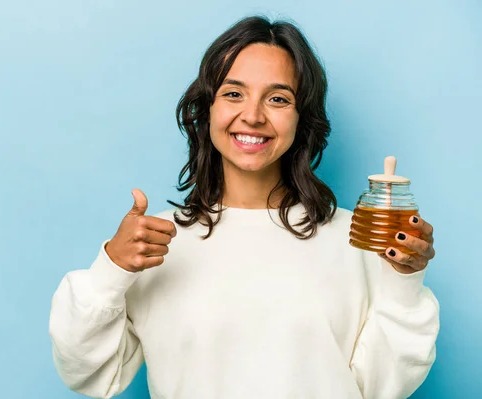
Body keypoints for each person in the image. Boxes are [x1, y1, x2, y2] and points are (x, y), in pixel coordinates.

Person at [49, 16, 439, 399]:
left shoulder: (357, 237)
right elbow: (91, 375)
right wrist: (111, 269)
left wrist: (403, 281)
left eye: (278, 98)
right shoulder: (156, 244)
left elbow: (383, 387)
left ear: (302, 120)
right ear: (207, 109)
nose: (252, 116)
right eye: (234, 93)